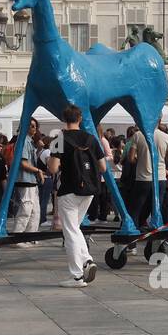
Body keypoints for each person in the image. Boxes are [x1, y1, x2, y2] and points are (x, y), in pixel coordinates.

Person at [46, 105, 105, 286]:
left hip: (69, 190)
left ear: (65, 119)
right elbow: (103, 167)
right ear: (80, 118)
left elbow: (53, 168)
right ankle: (86, 261)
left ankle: (77, 274)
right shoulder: (91, 139)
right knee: (75, 228)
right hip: (89, 191)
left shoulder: (60, 139)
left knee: (70, 231)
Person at [129, 123, 168, 249]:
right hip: (159, 178)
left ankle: (131, 243)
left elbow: (131, 158)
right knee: (157, 209)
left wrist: (142, 159)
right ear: (160, 121)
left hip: (142, 179)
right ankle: (156, 242)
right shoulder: (165, 136)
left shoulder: (138, 135)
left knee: (136, 210)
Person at [10, 118, 42, 238]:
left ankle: (30, 236)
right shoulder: (22, 141)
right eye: (32, 126)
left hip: (31, 180)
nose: (34, 129)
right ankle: (17, 236)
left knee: (34, 210)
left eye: (35, 126)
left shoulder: (29, 142)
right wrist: (38, 171)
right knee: (26, 209)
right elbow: (23, 163)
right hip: (25, 179)